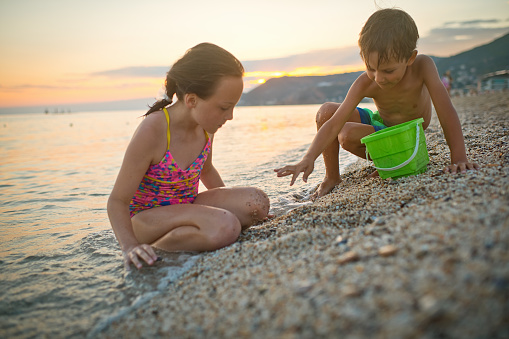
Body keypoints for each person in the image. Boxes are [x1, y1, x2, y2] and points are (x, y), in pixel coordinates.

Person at [274, 8, 478, 199]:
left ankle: (392, 163)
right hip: (382, 125)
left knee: (346, 134)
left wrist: (459, 157)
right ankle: (332, 177)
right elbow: (334, 122)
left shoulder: (422, 66)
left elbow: (446, 110)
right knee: (326, 111)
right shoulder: (366, 82)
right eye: (371, 68)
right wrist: (308, 158)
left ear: (410, 58)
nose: (378, 78)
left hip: (408, 138)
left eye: (388, 71)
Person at [108, 43, 270, 270]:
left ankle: (189, 234)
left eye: (233, 107)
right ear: (192, 100)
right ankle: (154, 251)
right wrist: (129, 246)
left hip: (184, 206)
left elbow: (207, 170)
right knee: (227, 226)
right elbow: (117, 201)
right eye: (224, 108)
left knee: (258, 203)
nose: (231, 116)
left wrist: (232, 206)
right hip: (146, 220)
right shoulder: (154, 130)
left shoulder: (206, 127)